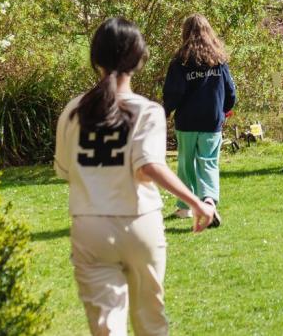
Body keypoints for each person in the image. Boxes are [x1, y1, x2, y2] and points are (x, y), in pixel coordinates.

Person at [55, 17, 215, 336]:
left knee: (107, 328)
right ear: (139, 59)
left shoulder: (73, 111)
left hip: (90, 227)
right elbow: (147, 166)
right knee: (151, 322)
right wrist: (198, 202)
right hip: (139, 223)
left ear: (94, 59)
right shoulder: (146, 111)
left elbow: (64, 170)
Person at [162, 14, 235, 225]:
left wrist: (165, 111)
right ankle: (209, 202)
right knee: (209, 163)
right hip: (212, 121)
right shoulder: (219, 62)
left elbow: (173, 94)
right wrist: (224, 111)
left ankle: (185, 208)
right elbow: (230, 93)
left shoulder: (180, 62)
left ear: (185, 33)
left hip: (187, 122)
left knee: (186, 164)